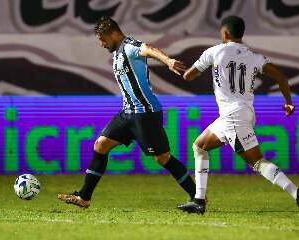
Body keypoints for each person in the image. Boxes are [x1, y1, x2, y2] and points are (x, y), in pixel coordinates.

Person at [177, 16, 299, 217]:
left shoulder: (214, 52)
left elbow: (189, 76)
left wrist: (183, 69)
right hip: (241, 113)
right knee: (200, 146)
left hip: (233, 116)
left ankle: (298, 193)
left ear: (225, 33)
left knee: (256, 161)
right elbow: (281, 77)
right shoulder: (253, 57)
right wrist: (289, 102)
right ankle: (199, 200)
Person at [57, 16, 196, 209]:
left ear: (114, 34)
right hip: (128, 112)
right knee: (100, 145)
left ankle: (197, 196)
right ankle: (84, 197)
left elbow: (148, 48)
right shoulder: (117, 53)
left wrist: (168, 60)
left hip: (144, 113)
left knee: (162, 158)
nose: (101, 44)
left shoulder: (130, 46)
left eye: (103, 39)